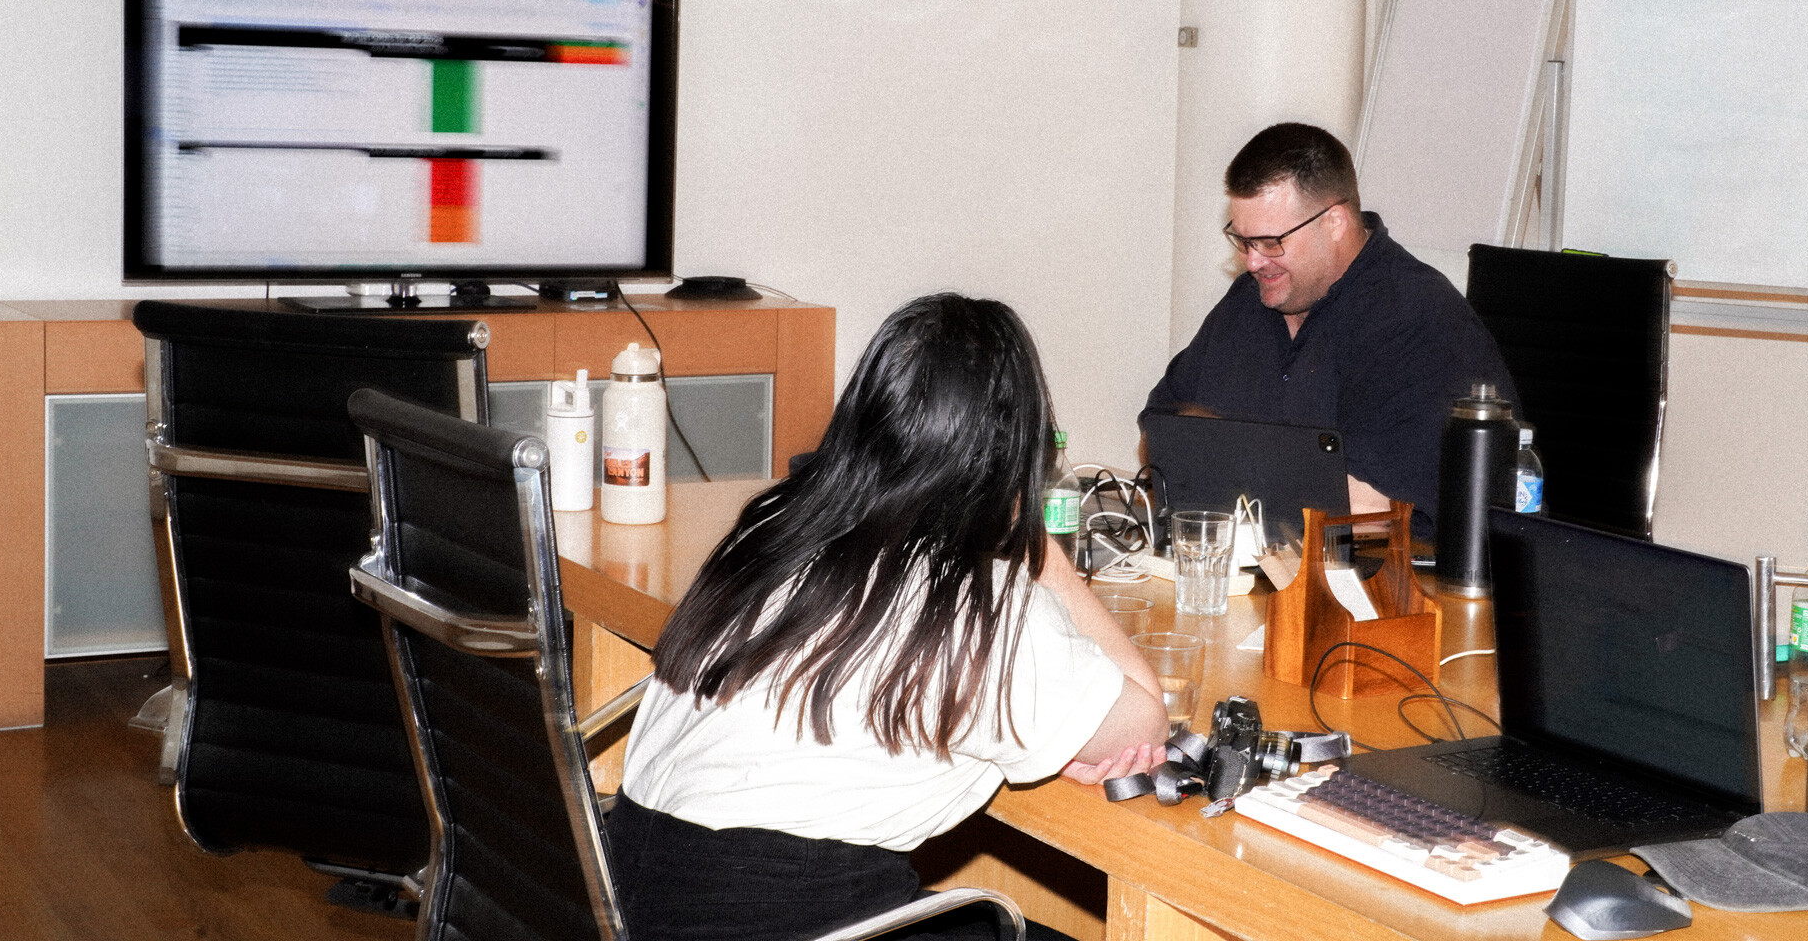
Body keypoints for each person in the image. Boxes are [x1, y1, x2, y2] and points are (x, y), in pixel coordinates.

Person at [609, 293, 1170, 941]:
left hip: (631, 899)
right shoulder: (973, 600)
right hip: (788, 917)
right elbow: (1145, 715)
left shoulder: (770, 534)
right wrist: (1037, 548)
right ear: (1012, 454)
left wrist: (1059, 718)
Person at [1144, 122, 1515, 536]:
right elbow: (1160, 435)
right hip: (1255, 569)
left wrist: (1218, 467)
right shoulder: (1251, 300)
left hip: (1385, 587)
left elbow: (1379, 510)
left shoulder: (1417, 318)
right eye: (1243, 241)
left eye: (1270, 242)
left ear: (1334, 222)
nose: (1253, 262)